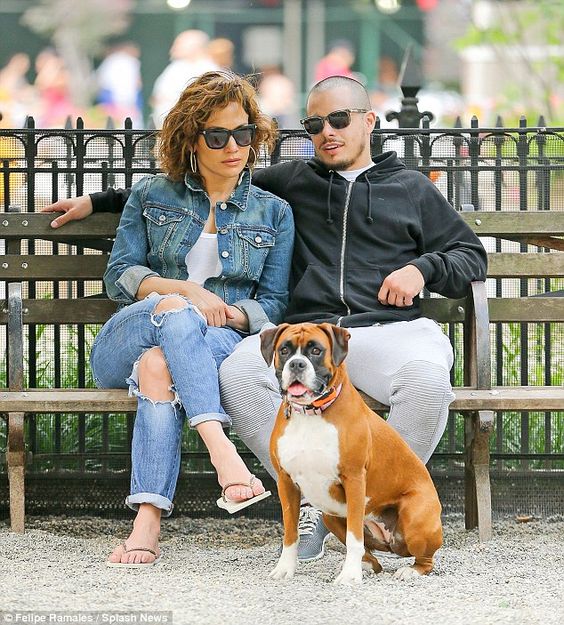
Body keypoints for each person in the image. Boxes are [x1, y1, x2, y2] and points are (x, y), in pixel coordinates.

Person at [42, 76, 487, 563]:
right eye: (315, 124)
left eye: (339, 120)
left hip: (388, 331)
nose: (328, 133)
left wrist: (421, 269)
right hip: (309, 338)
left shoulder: (410, 188)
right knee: (236, 371)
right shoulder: (294, 182)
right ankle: (319, 505)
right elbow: (186, 186)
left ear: (368, 121)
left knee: (426, 380)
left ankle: (374, 504)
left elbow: (471, 257)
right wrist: (97, 201)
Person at [63, 71, 294, 565]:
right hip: (130, 333)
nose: (234, 146)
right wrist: (186, 290)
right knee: (173, 311)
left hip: (213, 343)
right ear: (191, 138)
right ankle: (220, 447)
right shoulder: (152, 196)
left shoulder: (273, 212)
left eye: (244, 133)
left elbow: (273, 304)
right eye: (218, 135)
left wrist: (229, 313)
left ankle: (146, 522)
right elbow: (120, 275)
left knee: (158, 367)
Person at [151, 30, 219, 127]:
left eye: (178, 44)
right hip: (166, 128)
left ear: (195, 47)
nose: (173, 49)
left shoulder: (209, 70)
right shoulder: (176, 67)